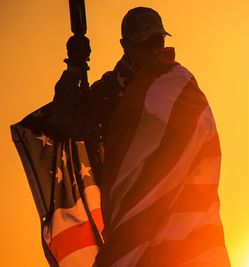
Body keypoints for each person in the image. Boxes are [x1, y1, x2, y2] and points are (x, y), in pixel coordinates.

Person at [53, 7, 231, 266]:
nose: (154, 51)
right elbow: (64, 120)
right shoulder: (108, 93)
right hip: (128, 210)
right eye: (145, 43)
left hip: (176, 208)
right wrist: (75, 67)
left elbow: (199, 136)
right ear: (126, 46)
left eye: (158, 41)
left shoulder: (177, 85)